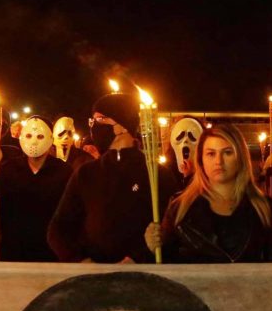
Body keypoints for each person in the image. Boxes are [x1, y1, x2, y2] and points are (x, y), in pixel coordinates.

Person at [48, 92, 178, 263]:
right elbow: (58, 229)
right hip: (94, 280)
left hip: (142, 278)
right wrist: (81, 261)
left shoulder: (157, 174)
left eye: (100, 120)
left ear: (122, 126)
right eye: (92, 121)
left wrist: (139, 257)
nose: (94, 127)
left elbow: (169, 231)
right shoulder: (86, 173)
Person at [144, 123, 272, 263]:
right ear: (201, 160)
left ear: (240, 158)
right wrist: (154, 245)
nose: (219, 161)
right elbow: (168, 266)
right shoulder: (180, 207)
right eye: (211, 154)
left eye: (227, 152)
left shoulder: (265, 208)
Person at [0, 116, 71, 261]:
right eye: (28, 135)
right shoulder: (8, 169)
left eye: (40, 136)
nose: (34, 141)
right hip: (14, 246)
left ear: (50, 139)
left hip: (50, 247)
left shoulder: (64, 172)